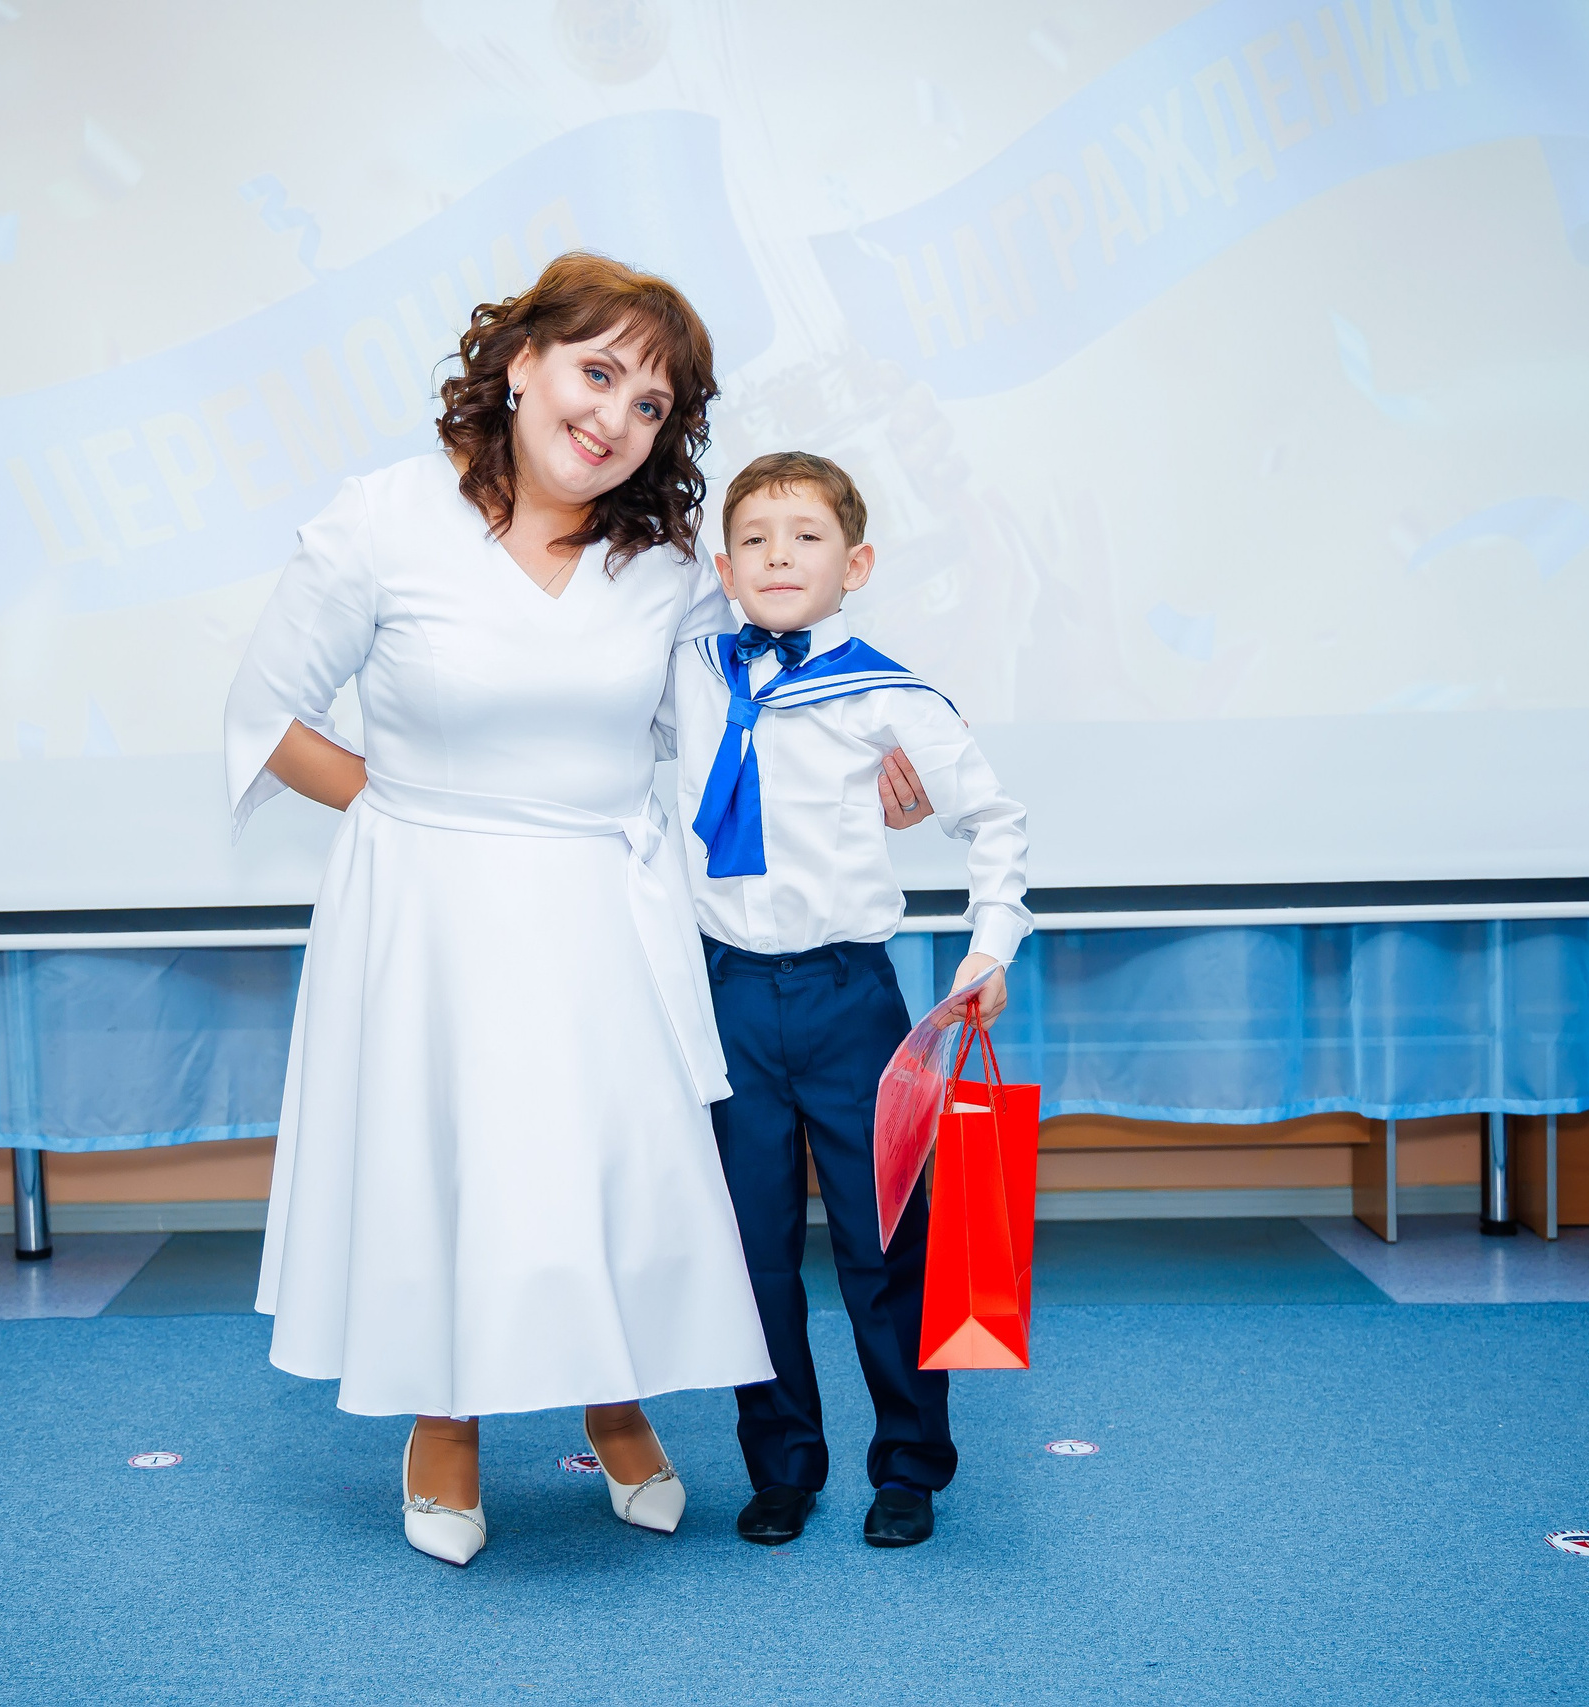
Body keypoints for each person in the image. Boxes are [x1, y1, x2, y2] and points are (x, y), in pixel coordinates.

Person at [219, 256, 930, 1567]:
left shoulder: (665, 563)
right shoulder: (381, 520)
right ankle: (446, 1418)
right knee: (455, 1161)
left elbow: (740, 710)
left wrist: (866, 761)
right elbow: (268, 720)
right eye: (598, 372)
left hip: (608, 898)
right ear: (519, 363)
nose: (615, 417)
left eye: (653, 403)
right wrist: (407, 810)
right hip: (429, 904)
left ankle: (617, 1398)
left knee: (614, 1161)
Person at [659, 451, 1031, 1549]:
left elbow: (994, 822)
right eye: (756, 540)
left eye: (807, 537)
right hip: (721, 991)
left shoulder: (884, 693)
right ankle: (780, 1465)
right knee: (753, 1253)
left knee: (887, 1248)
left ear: (855, 562)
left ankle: (908, 1465)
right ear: (721, 566)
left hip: (849, 1000)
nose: (780, 556)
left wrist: (989, 947)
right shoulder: (683, 673)